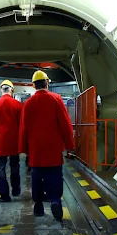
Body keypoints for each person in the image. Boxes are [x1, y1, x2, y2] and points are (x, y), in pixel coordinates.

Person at [19, 70, 75, 219]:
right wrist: (69, 144)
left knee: (37, 177)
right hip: (54, 149)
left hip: (36, 149)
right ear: (47, 83)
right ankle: (55, 200)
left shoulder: (28, 104)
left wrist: (24, 149)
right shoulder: (56, 99)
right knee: (55, 176)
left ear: (33, 85)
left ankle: (38, 206)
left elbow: (24, 128)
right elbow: (65, 124)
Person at [0, 79, 23, 202]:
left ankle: (4, 195)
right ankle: (16, 189)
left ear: (1, 90)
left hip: (0, 141)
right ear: (12, 90)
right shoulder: (17, 105)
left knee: (1, 168)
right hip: (14, 142)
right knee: (15, 166)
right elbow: (23, 124)